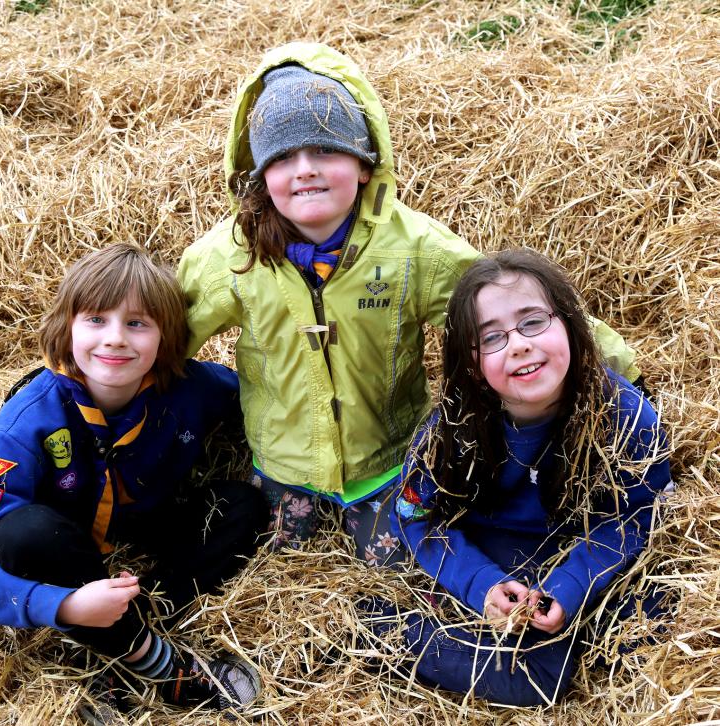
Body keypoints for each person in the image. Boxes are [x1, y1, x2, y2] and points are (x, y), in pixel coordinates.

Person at [177, 42, 640, 567]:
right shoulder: (228, 254)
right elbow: (166, 334)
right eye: (282, 157)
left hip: (390, 460)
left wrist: (615, 365)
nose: (305, 169)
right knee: (272, 558)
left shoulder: (415, 247)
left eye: (325, 150)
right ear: (261, 177)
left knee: (405, 568)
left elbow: (503, 305)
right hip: (284, 462)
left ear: (366, 164)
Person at [0, 244, 268, 721]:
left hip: (144, 523)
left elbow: (261, 401)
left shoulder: (194, 387)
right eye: (95, 320)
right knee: (23, 533)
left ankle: (130, 629)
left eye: (137, 323)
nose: (114, 340)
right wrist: (65, 605)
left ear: (167, 338)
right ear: (65, 328)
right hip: (62, 548)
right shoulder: (22, 428)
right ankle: (154, 660)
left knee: (240, 507)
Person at [368, 248, 671, 706]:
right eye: (491, 338)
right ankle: (386, 629)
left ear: (568, 322)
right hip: (490, 551)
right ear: (471, 363)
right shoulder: (449, 432)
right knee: (538, 680)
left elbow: (639, 513)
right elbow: (413, 515)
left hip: (581, 548)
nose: (518, 344)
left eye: (533, 322)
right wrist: (482, 584)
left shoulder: (626, 417)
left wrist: (572, 587)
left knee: (649, 626)